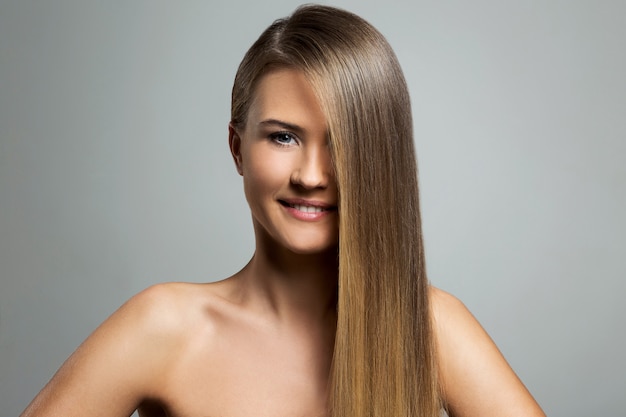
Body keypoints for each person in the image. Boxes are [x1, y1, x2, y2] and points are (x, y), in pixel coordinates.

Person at [20, 4, 546, 417]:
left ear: (381, 161)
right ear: (236, 149)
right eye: (284, 137)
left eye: (345, 143)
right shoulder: (164, 327)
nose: (312, 175)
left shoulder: (429, 327)